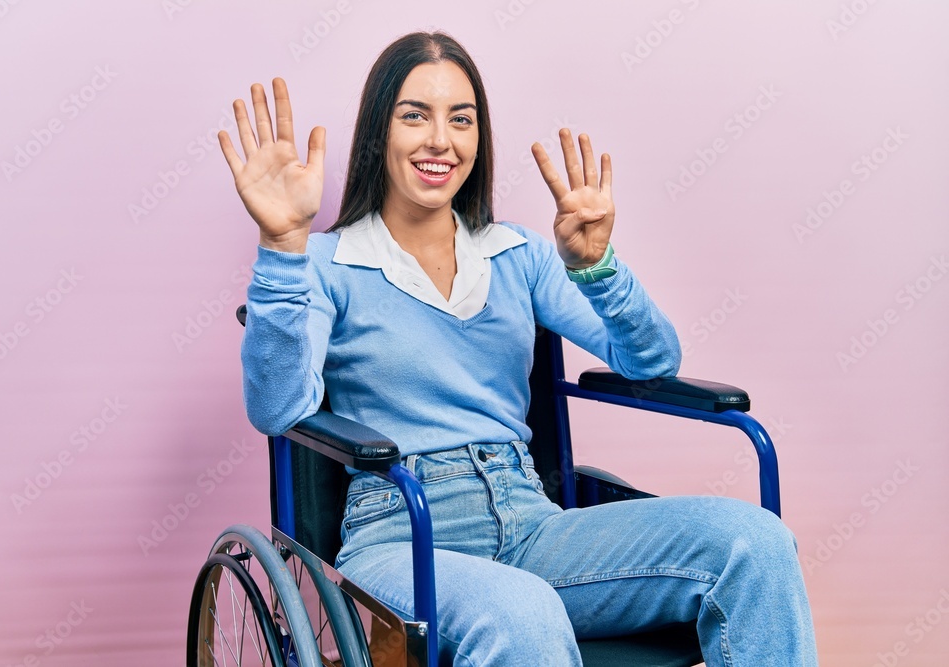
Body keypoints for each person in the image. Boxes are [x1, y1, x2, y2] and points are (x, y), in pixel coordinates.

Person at [219, 30, 818, 667]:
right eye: (414, 115)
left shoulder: (518, 255)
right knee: (522, 611)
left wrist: (599, 268)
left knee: (755, 542)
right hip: (403, 532)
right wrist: (281, 245)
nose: (439, 141)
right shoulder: (327, 263)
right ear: (377, 132)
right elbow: (278, 408)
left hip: (529, 520)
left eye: (461, 119)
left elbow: (652, 362)